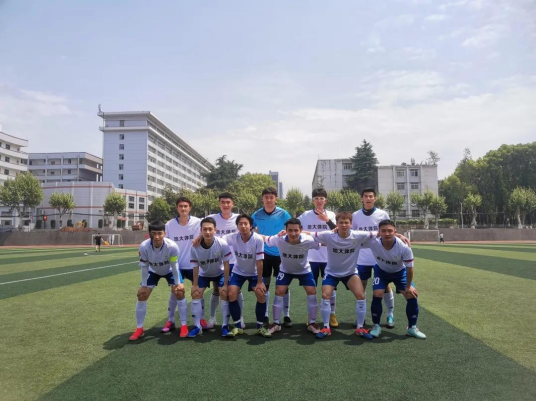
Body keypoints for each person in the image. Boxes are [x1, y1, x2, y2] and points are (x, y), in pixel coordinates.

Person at [313, 212, 375, 340]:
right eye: (341, 222)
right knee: (325, 295)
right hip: (331, 273)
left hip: (350, 273)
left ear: (351, 224)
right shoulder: (329, 235)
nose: (344, 225)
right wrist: (290, 233)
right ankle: (326, 327)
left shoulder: (358, 235)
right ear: (337, 224)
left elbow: (379, 233)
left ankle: (360, 328)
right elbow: (309, 234)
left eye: (346, 222)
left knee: (361, 296)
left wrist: (398, 235)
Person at [364, 219, 426, 339]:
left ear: (395, 232)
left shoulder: (404, 247)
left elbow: (409, 268)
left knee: (411, 295)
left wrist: (408, 286)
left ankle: (412, 328)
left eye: (390, 231)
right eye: (383, 231)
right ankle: (376, 326)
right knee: (377, 293)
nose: (387, 233)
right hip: (381, 272)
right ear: (379, 232)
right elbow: (354, 237)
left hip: (399, 273)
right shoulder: (373, 242)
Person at [263, 218, 321, 335]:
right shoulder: (278, 239)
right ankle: (276, 323)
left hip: (304, 270)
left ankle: (312, 323)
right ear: (285, 230)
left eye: (296, 230)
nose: (293, 233)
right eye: (290, 230)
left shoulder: (308, 240)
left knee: (312, 291)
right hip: (286, 270)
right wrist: (247, 232)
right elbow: (264, 238)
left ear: (301, 230)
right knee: (279, 291)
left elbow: (320, 244)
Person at [129, 220, 185, 341]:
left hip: (169, 270)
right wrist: (144, 285)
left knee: (179, 292)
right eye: (154, 233)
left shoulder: (172, 246)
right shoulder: (144, 246)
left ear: (165, 233)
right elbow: (144, 267)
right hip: (153, 271)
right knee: (142, 295)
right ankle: (139, 329)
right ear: (149, 234)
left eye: (160, 233)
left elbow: (174, 265)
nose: (157, 236)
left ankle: (184, 326)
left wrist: (178, 283)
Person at [352, 188, 395, 328]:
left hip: (379, 257)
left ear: (375, 198)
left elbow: (389, 232)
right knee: (361, 288)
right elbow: (352, 235)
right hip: (362, 258)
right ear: (362, 199)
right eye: (366, 196)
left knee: (385, 286)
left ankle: (390, 315)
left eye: (371, 196)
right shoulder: (355, 215)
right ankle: (361, 317)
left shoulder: (383, 214)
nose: (368, 198)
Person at [223, 214, 270, 338]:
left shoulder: (258, 239)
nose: (243, 226)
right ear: (237, 226)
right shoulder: (232, 237)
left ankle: (260, 327)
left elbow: (259, 261)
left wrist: (259, 282)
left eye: (246, 224)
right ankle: (238, 327)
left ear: (251, 226)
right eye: (240, 224)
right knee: (231, 293)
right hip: (238, 271)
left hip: (254, 273)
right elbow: (217, 239)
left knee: (261, 294)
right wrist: (199, 237)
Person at [252, 187, 292, 326]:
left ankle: (286, 315)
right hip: (264, 254)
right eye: (266, 197)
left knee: (284, 286)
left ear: (276, 199)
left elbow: (291, 227)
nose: (269, 200)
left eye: (271, 197)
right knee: (266, 285)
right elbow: (249, 228)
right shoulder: (256, 214)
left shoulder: (283, 213)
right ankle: (265, 315)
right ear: (262, 199)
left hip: (281, 254)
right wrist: (258, 236)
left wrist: (285, 232)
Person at [298, 188, 338, 326]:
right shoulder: (305, 215)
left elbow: (338, 231)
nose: (319, 201)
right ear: (313, 200)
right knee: (311, 289)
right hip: (311, 258)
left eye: (321, 198)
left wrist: (327, 220)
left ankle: (332, 314)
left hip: (329, 258)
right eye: (316, 198)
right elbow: (297, 229)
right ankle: (311, 315)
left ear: (326, 200)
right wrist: (308, 234)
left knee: (331, 289)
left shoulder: (331, 214)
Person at [187, 217, 233, 338]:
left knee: (224, 293)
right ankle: (197, 326)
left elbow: (226, 264)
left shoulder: (222, 243)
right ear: (201, 230)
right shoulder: (194, 246)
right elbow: (195, 266)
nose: (208, 232)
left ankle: (225, 326)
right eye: (205, 229)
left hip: (219, 273)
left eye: (210, 229)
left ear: (215, 230)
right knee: (195, 293)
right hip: (204, 275)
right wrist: (195, 285)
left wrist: (226, 284)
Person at [164, 197, 201, 337]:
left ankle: (201, 319)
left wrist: (199, 238)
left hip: (194, 264)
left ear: (190, 208)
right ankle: (171, 320)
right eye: (181, 206)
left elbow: (208, 230)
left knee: (198, 291)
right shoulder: (169, 225)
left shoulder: (198, 222)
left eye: (186, 206)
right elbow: (164, 241)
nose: (183, 208)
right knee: (176, 291)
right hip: (177, 265)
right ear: (177, 208)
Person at [207, 192, 243, 327]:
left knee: (236, 290)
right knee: (217, 290)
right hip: (217, 261)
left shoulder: (239, 218)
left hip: (235, 261)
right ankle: (212, 318)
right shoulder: (212, 218)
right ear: (219, 204)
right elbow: (203, 232)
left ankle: (240, 318)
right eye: (223, 202)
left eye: (228, 202)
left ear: (232, 204)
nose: (225, 205)